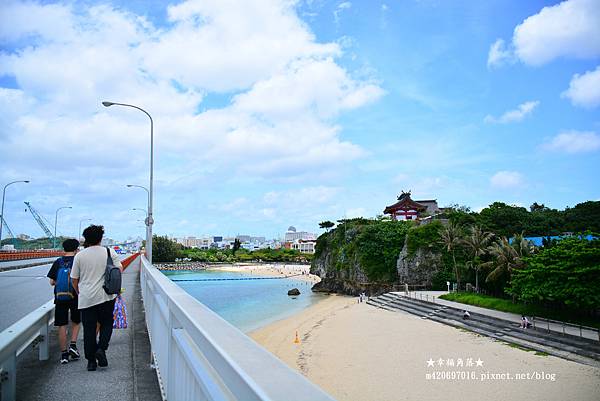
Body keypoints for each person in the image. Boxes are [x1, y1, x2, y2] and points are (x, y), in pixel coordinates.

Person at [71, 225, 123, 371]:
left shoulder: (80, 255)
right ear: (101, 238)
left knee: (89, 329)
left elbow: (74, 279)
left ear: (86, 239)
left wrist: (79, 292)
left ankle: (91, 362)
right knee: (106, 323)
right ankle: (101, 348)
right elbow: (119, 270)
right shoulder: (109, 252)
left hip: (86, 298)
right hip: (106, 296)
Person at [47, 238, 81, 364]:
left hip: (60, 297)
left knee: (62, 325)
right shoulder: (78, 261)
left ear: (64, 249)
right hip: (75, 296)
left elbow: (51, 282)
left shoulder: (58, 262)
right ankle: (72, 345)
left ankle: (64, 355)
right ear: (76, 249)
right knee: (76, 321)